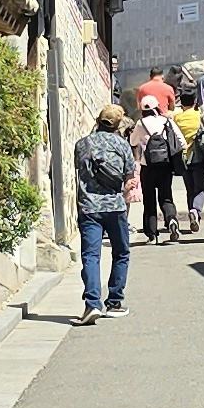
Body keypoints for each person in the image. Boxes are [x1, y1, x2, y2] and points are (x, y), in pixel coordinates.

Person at [74, 103, 134, 318]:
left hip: (89, 207)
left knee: (91, 255)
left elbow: (78, 173)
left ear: (98, 121)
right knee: (121, 252)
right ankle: (114, 302)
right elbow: (129, 179)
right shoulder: (122, 145)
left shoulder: (82, 145)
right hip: (115, 208)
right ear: (118, 125)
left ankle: (92, 304)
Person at [135, 90, 186, 244]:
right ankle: (171, 219)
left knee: (149, 200)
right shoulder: (166, 121)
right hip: (165, 165)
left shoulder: (140, 123)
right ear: (157, 107)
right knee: (166, 197)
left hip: (147, 166)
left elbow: (132, 142)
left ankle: (152, 235)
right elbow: (181, 142)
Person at [178, 78, 204, 238]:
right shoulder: (199, 116)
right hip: (199, 156)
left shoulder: (177, 118)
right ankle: (196, 211)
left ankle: (193, 214)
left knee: (189, 189)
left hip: (183, 158)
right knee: (200, 188)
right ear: (194, 101)